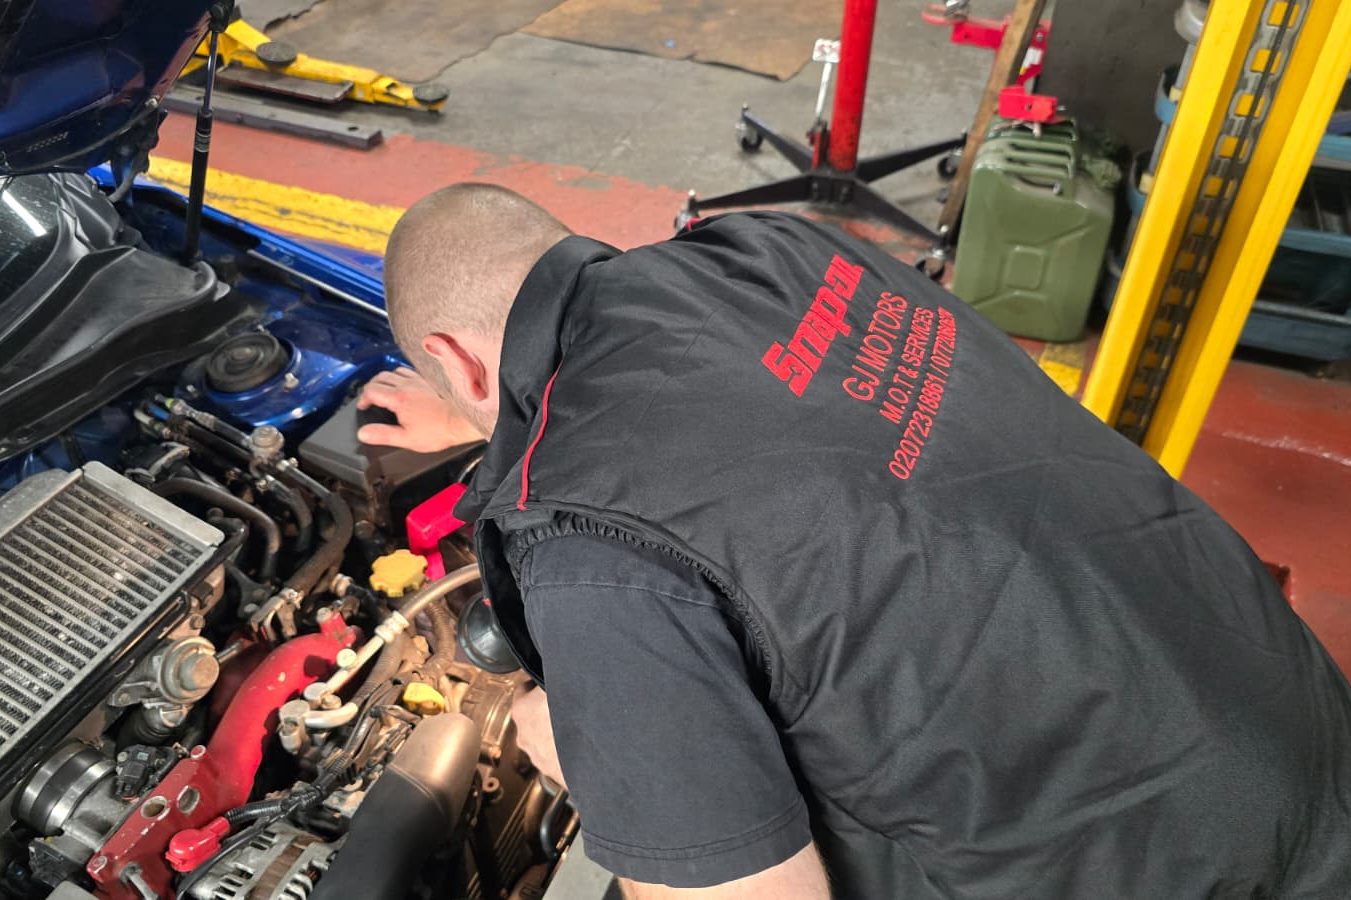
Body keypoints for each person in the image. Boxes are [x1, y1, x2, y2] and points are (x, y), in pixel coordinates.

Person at [358, 183, 1351, 899]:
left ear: (450, 360)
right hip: (1291, 734)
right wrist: (499, 416)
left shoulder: (587, 548)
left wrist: (592, 758)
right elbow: (761, 412)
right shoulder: (773, 248)